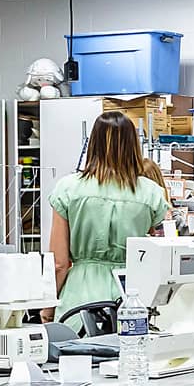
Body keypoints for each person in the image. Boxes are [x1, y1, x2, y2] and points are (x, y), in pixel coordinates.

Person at [49, 111, 169, 318]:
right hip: (133, 298)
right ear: (134, 144)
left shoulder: (68, 189)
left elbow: (58, 264)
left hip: (79, 301)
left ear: (93, 143)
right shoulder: (152, 194)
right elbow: (162, 252)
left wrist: (47, 309)